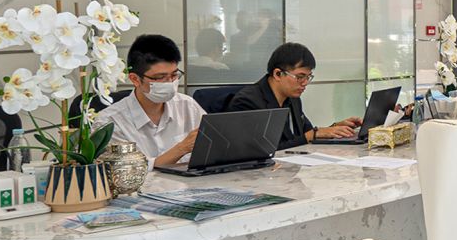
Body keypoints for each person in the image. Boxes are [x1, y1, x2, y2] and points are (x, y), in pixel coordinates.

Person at [228, 42, 362, 149]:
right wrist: (311, 135)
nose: (304, 83)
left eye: (308, 77)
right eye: (300, 77)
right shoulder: (248, 102)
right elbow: (261, 150)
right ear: (277, 74)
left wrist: (334, 129)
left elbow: (307, 133)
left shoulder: (292, 98)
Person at [100, 34, 206, 168]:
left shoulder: (187, 106)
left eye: (174, 75)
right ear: (135, 79)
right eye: (160, 77)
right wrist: (182, 148)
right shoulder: (110, 122)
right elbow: (125, 173)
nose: (170, 82)